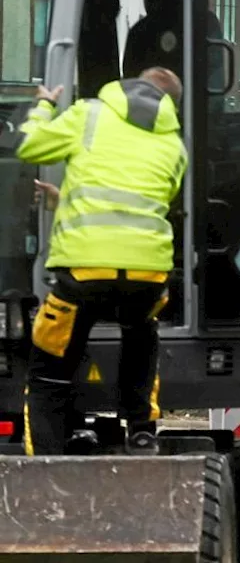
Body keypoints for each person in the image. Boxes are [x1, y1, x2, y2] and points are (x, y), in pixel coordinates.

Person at [19, 67, 187, 455]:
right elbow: (144, 198)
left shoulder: (88, 114)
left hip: (84, 269)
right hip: (147, 272)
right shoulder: (176, 146)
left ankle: (46, 460)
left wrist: (44, 105)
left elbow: (30, 146)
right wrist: (68, 199)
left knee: (50, 367)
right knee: (141, 332)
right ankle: (142, 429)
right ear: (169, 104)